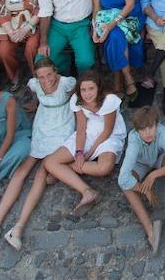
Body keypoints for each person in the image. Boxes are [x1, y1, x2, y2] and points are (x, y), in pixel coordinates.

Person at [0, 58, 76, 250]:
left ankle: (18, 227)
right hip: (42, 125)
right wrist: (36, 104)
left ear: (56, 71)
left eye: (49, 74)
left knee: (42, 173)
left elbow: (74, 95)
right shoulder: (34, 84)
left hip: (62, 126)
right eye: (41, 76)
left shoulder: (67, 82)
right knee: (22, 171)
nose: (46, 79)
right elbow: (36, 92)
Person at [42, 71, 126, 216]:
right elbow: (81, 128)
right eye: (83, 89)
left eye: (91, 89)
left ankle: (67, 168)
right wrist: (79, 152)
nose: (87, 94)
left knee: (104, 168)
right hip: (89, 132)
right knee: (49, 162)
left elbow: (107, 131)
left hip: (109, 136)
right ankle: (87, 191)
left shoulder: (109, 100)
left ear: (98, 88)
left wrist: (88, 155)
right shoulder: (76, 99)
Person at [118, 106, 165, 252]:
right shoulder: (134, 139)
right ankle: (150, 228)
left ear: (157, 125)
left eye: (151, 127)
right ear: (137, 131)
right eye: (143, 130)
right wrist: (145, 190)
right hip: (140, 164)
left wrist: (153, 175)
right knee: (126, 187)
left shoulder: (162, 132)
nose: (147, 133)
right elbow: (123, 178)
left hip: (158, 159)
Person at [87, 0, 143, 102]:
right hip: (109, 18)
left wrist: (111, 25)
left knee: (113, 34)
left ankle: (119, 78)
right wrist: (94, 29)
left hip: (130, 15)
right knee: (114, 36)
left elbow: (130, 4)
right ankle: (126, 77)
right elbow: (97, 9)